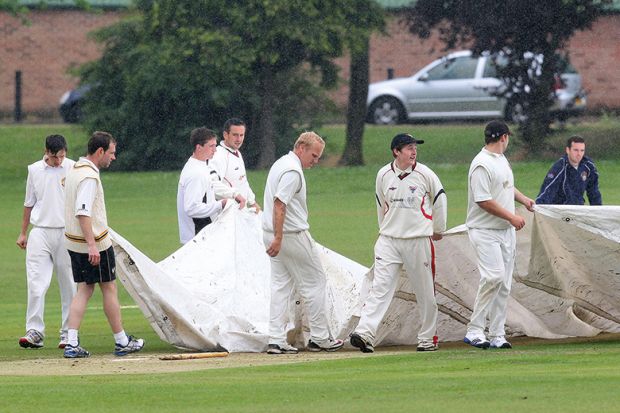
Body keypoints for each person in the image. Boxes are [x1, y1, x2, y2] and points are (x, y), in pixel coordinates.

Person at [350, 133, 448, 353]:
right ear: (396, 151)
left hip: (418, 240)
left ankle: (427, 337)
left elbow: (440, 199)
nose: (414, 152)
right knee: (380, 288)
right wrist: (383, 229)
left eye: (415, 148)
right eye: (409, 148)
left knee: (424, 292)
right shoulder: (383, 174)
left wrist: (438, 230)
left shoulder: (425, 174)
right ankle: (365, 333)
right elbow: (380, 204)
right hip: (389, 240)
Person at [62, 131, 144, 358]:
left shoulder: (74, 170)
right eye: (111, 152)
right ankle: (121, 341)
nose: (113, 157)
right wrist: (92, 245)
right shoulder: (89, 177)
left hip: (73, 241)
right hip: (94, 242)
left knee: (84, 289)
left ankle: (71, 342)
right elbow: (83, 211)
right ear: (100, 151)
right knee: (108, 287)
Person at [263, 131, 344, 354]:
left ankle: (276, 339)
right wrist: (279, 238)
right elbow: (280, 204)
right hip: (290, 234)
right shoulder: (292, 171)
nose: (315, 161)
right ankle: (320, 337)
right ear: (300, 147)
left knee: (280, 286)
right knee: (315, 282)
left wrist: (276, 237)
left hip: (271, 233)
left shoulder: (281, 163)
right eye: (314, 155)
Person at [464, 120, 535, 350]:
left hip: (505, 232)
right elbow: (483, 200)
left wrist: (523, 199)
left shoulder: (501, 160)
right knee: (493, 277)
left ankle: (497, 334)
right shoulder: (481, 164)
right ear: (504, 137)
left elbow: (505, 186)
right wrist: (512, 217)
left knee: (503, 284)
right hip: (484, 231)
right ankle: (474, 330)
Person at [17, 134, 77, 350]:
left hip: (66, 232)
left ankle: (69, 333)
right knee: (36, 282)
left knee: (68, 283)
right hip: (40, 231)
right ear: (46, 152)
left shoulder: (73, 168)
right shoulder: (34, 170)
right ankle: (34, 331)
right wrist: (23, 233)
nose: (58, 161)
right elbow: (29, 203)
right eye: (54, 157)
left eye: (61, 156)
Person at [177, 127, 246, 245]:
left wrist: (233, 194)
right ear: (199, 147)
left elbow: (211, 188)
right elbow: (192, 208)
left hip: (203, 235)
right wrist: (221, 204)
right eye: (211, 146)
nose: (215, 150)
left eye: (215, 145)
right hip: (197, 237)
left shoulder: (200, 165)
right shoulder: (196, 173)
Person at [210, 118, 261, 212]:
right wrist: (235, 194)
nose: (239, 139)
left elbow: (242, 181)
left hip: (240, 213)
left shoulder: (236, 152)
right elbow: (212, 185)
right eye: (235, 135)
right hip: (226, 215)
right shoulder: (219, 155)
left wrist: (253, 202)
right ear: (226, 135)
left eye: (241, 135)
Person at [536, 135, 602, 205]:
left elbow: (594, 192)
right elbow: (548, 190)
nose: (579, 154)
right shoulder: (559, 167)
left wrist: (598, 210)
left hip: (578, 209)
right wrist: (539, 205)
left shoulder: (589, 166)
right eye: (576, 150)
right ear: (568, 150)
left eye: (582, 150)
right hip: (561, 210)